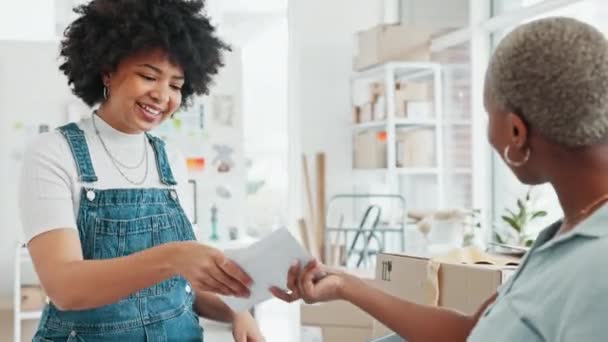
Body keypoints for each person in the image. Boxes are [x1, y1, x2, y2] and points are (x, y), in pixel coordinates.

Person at [272, 17, 608, 342]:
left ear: (516, 131)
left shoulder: (597, 266)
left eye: (488, 115)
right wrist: (346, 285)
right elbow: (468, 334)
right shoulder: (564, 236)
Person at [19, 1, 264, 341]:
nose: (162, 96)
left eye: (176, 85)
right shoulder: (54, 153)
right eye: (148, 76)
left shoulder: (171, 161)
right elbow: (65, 287)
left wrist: (238, 308)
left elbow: (181, 290)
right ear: (107, 70)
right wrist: (175, 256)